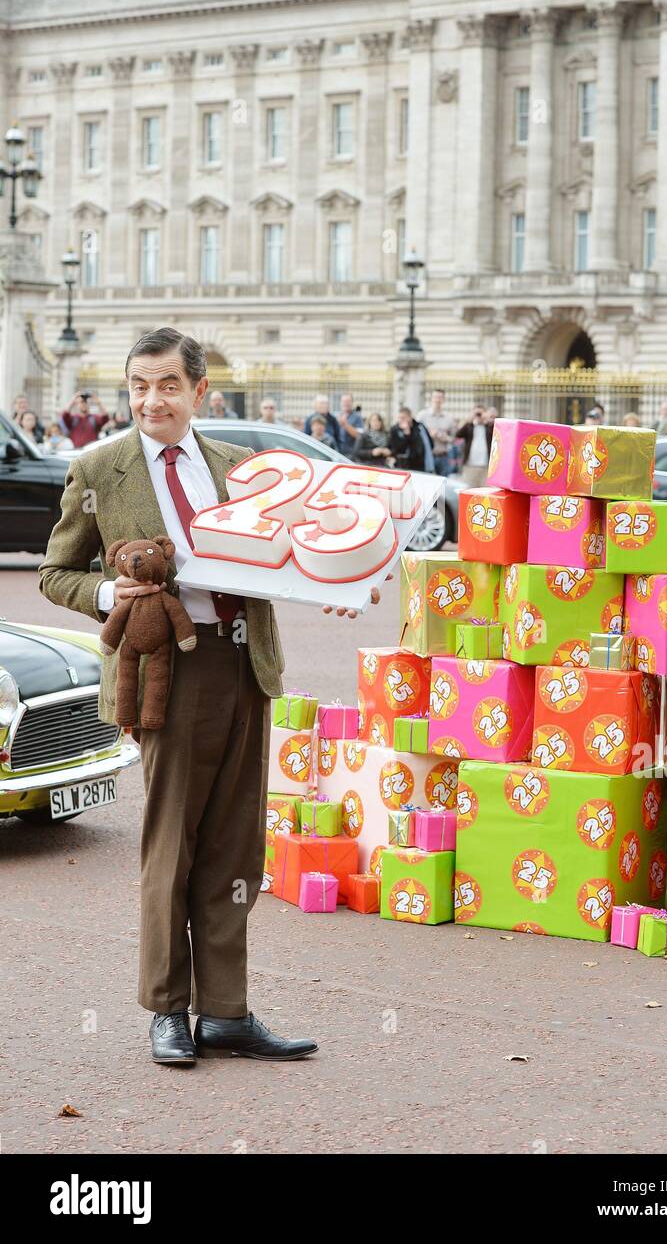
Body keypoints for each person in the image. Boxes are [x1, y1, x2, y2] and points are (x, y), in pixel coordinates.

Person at [38, 326, 386, 1068]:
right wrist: (110, 589)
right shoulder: (101, 467)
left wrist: (338, 585)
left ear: (200, 393)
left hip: (245, 667)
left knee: (236, 850)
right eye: (138, 385)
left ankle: (225, 1012)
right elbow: (54, 573)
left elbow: (294, 555)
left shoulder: (244, 469)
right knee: (172, 845)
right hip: (167, 675)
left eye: (167, 385)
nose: (150, 400)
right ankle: (167, 1008)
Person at [416, 389, 457, 478]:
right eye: (435, 397)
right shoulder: (422, 416)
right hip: (427, 456)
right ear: (431, 399)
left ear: (444, 399)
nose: (438, 400)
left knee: (443, 484)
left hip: (443, 457)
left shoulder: (449, 417)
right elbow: (416, 436)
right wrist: (428, 435)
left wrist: (445, 438)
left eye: (440, 397)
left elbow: (453, 438)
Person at [456, 407, 495, 488]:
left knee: (484, 492)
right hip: (470, 466)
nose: (479, 416)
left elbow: (497, 433)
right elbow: (458, 434)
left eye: (481, 414)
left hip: (485, 467)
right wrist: (469, 419)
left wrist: (487, 419)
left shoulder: (488, 427)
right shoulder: (469, 426)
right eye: (477, 414)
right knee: (468, 490)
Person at [389, 407, 430, 471]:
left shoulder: (419, 427)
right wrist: (407, 435)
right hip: (401, 465)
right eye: (399, 417)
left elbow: (422, 447)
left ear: (410, 417)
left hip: (418, 465)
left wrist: (410, 435)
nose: (400, 420)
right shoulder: (394, 429)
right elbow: (396, 449)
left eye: (403, 418)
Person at [336, 392, 364, 458]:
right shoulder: (337, 416)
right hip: (337, 453)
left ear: (352, 403)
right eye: (344, 401)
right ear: (341, 403)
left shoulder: (358, 417)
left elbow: (359, 436)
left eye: (348, 401)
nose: (346, 403)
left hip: (351, 455)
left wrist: (345, 425)